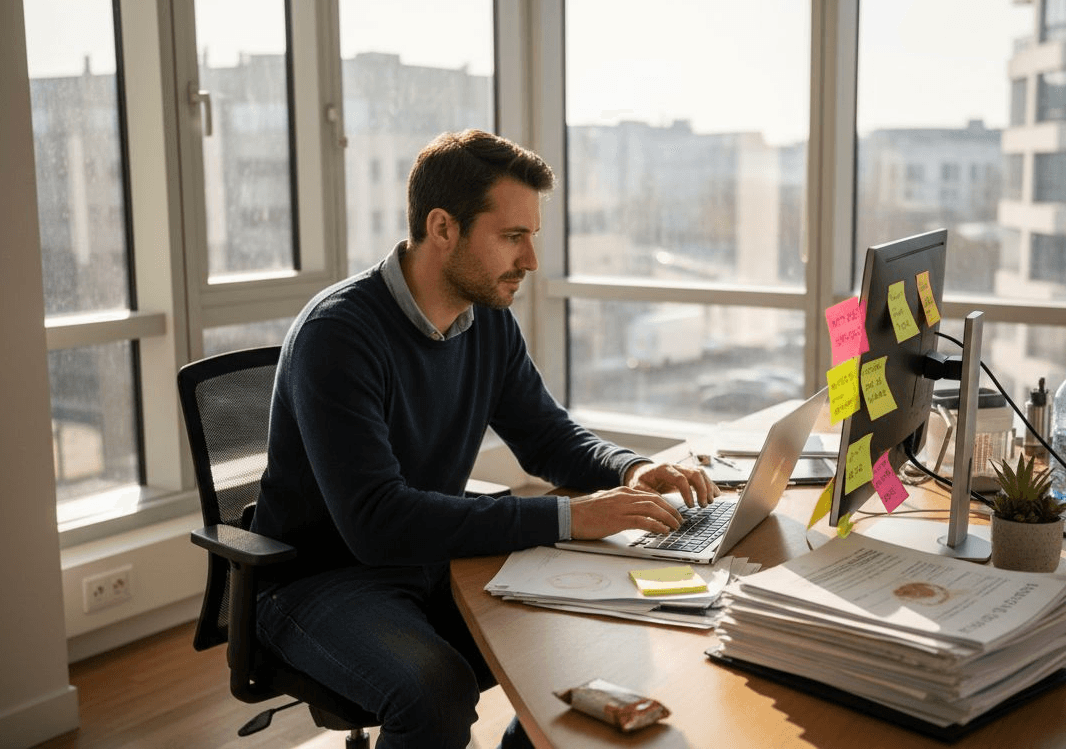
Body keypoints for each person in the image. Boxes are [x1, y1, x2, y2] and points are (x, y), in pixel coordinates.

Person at [250, 129, 717, 749]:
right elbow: (375, 522)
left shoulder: (488, 322)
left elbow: (548, 435)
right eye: (512, 236)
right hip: (321, 580)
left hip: (432, 560)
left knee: (591, 632)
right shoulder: (338, 336)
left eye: (532, 237)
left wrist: (629, 468)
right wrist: (567, 517)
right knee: (435, 691)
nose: (530, 260)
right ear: (443, 228)